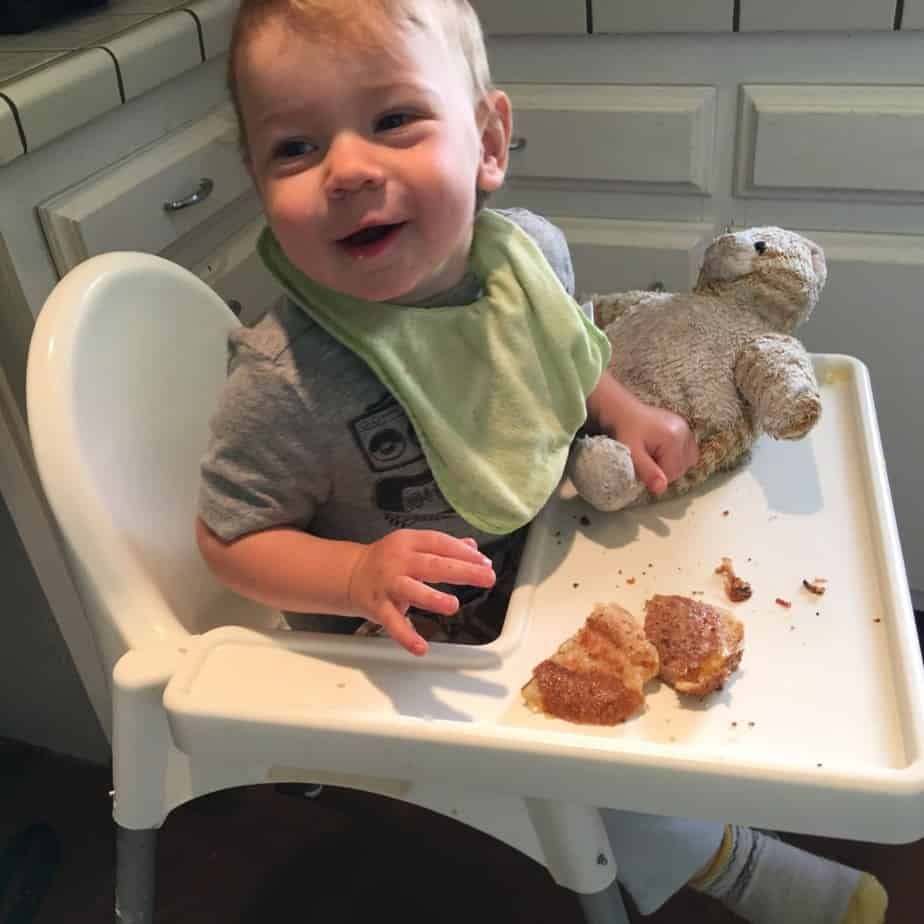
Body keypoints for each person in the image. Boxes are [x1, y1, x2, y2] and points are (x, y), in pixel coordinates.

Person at [195, 2, 887, 921]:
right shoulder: (285, 378)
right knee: (595, 761)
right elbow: (228, 541)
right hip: (404, 641)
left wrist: (627, 410)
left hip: (539, 546)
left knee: (699, 658)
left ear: (487, 140)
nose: (348, 169)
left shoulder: (527, 259)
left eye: (394, 120)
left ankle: (699, 801)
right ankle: (727, 860)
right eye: (294, 148)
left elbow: (564, 359)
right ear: (256, 180)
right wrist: (355, 573)